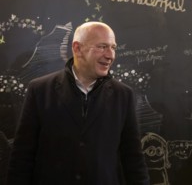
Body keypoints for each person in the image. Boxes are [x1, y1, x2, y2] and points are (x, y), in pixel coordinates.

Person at [6, 21, 150, 185]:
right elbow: (22, 156)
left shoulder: (124, 95)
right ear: (77, 48)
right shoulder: (40, 90)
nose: (110, 55)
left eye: (113, 47)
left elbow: (133, 159)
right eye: (102, 46)